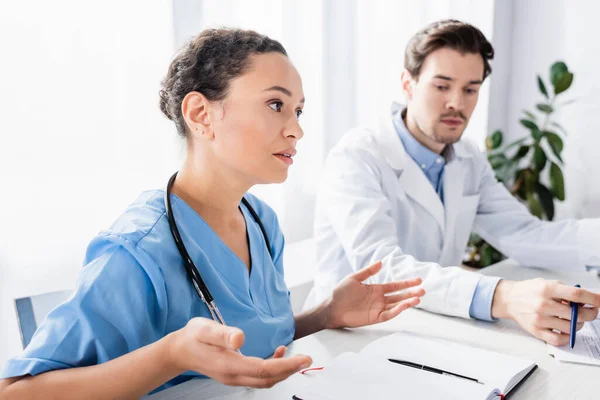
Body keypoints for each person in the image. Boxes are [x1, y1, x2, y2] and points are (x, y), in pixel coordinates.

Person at [0, 28, 425, 399]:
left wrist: (324, 316)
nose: (297, 129)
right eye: (276, 105)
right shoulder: (137, 251)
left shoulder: (261, 223)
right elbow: (17, 393)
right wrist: (170, 355)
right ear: (202, 115)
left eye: (298, 111)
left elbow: (247, 344)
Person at [307, 19, 600, 346]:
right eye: (441, 86)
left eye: (470, 89)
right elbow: (382, 269)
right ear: (408, 83)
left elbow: (524, 233)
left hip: (432, 330)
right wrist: (502, 296)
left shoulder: (468, 157)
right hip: (346, 341)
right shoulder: (357, 156)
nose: (456, 104)